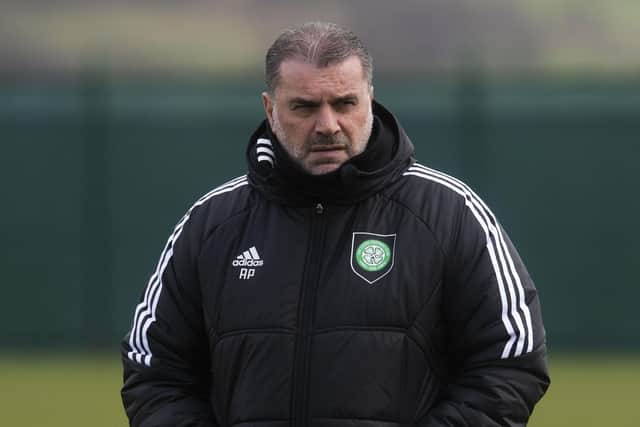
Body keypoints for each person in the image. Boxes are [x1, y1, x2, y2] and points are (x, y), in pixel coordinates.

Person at [121, 22, 549, 427]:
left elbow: (511, 362)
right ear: (270, 110)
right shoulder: (212, 222)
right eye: (304, 107)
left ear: (370, 99)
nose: (327, 126)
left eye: (345, 103)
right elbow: (154, 370)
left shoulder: (450, 213)